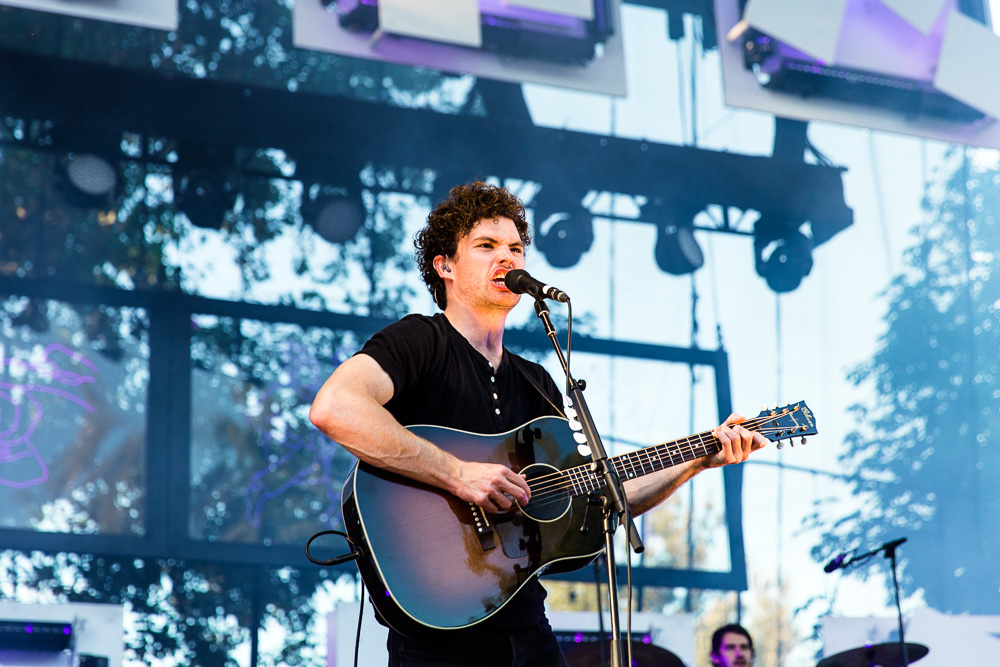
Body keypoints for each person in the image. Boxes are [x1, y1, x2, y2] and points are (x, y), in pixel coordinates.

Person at [309, 181, 769, 667]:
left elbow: (601, 496)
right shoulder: (421, 340)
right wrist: (459, 474)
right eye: (486, 246)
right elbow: (335, 407)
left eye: (515, 248)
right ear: (445, 266)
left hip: (527, 626)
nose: (506, 258)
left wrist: (700, 457)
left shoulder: (538, 380)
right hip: (437, 628)